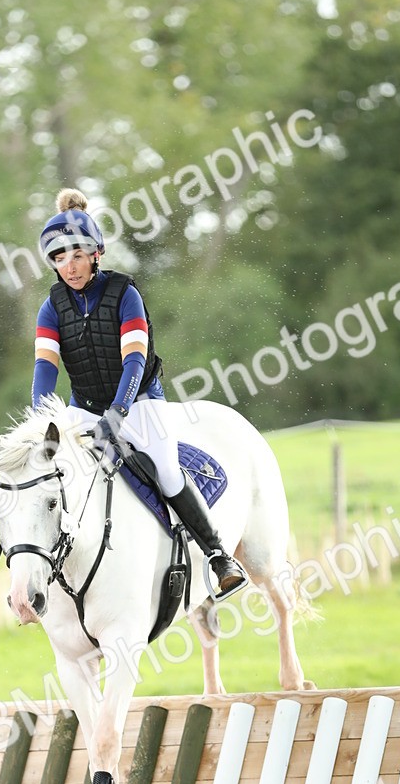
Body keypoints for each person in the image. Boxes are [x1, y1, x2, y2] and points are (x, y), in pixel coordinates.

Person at [31, 187, 246, 598]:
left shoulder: (125, 294)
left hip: (139, 400)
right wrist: (40, 423)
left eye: (77, 255)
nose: (69, 267)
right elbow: (45, 369)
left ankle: (219, 556)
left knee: (165, 469)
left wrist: (118, 412)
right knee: (54, 475)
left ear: (96, 254)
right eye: (59, 259)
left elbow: (133, 362)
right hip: (86, 408)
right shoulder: (51, 308)